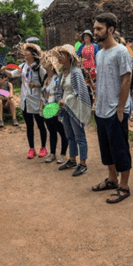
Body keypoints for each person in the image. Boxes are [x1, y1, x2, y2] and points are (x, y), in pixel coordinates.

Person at [91, 13, 133, 203]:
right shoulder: (99, 54)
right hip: (101, 109)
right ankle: (112, 179)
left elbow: (126, 80)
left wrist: (121, 108)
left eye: (99, 29)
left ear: (110, 30)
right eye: (95, 28)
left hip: (115, 109)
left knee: (120, 148)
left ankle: (124, 186)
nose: (95, 32)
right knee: (106, 148)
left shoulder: (121, 52)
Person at [52, 44, 92, 175]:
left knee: (79, 136)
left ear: (69, 56)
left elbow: (80, 91)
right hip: (65, 108)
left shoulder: (76, 72)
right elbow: (59, 89)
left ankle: (83, 163)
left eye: (62, 54)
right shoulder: (63, 73)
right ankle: (72, 159)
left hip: (75, 108)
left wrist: (67, 99)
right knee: (69, 135)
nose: (59, 57)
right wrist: (59, 100)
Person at [7, 43, 48, 159]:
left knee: (40, 124)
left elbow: (47, 84)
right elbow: (12, 74)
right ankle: (31, 148)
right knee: (29, 125)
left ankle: (43, 147)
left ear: (33, 54)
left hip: (37, 100)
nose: (25, 54)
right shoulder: (23, 66)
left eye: (27, 52)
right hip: (25, 100)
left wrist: (36, 85)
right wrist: (5, 70)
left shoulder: (40, 69)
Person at [40, 52, 68, 164]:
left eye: (47, 61)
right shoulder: (46, 78)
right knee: (51, 131)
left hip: (55, 109)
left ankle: (63, 154)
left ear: (51, 66)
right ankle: (52, 153)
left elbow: (60, 93)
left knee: (61, 132)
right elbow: (43, 95)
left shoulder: (57, 79)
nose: (44, 62)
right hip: (46, 108)